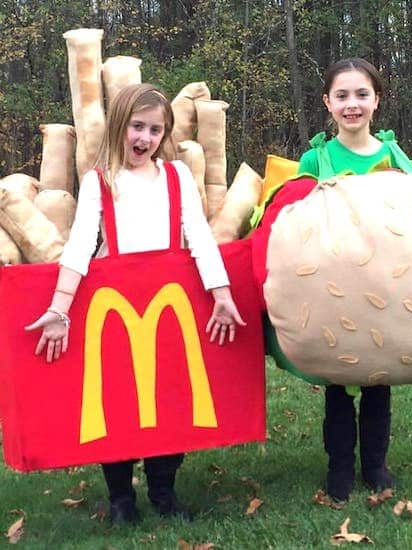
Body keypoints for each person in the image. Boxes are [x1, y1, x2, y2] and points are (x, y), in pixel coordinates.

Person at [25, 83, 245, 523]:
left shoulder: (177, 176)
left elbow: (198, 236)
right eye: (136, 127)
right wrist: (60, 306)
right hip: (117, 307)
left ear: (164, 135)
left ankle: (164, 490)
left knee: (172, 397)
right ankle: (122, 498)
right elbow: (81, 244)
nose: (144, 138)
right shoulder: (99, 181)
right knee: (119, 401)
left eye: (154, 130)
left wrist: (221, 294)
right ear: (120, 126)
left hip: (169, 303)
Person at [297, 58, 412, 503]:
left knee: (378, 380)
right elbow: (296, 223)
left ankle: (376, 466)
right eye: (342, 96)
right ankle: (340, 468)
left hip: (389, 290)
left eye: (361, 95)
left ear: (376, 101)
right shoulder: (316, 158)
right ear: (328, 103)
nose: (352, 105)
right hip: (336, 289)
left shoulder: (394, 157)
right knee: (339, 383)